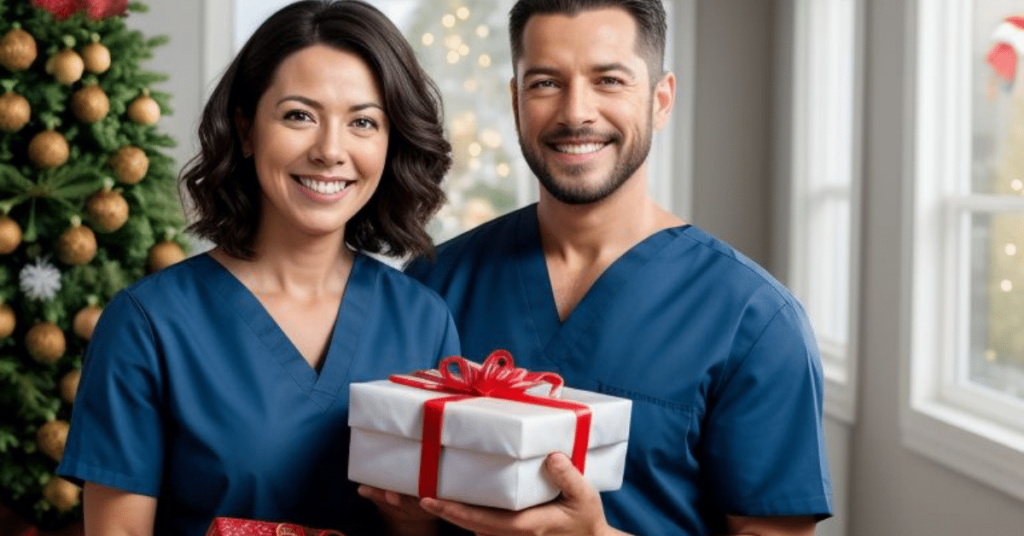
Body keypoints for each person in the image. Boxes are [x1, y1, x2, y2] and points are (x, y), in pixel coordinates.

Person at [392, 0, 834, 534]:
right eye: (545, 83)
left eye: (609, 81)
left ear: (660, 100)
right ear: (515, 101)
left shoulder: (757, 323)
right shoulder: (433, 283)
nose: (576, 112)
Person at [56, 1, 459, 535]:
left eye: (363, 122)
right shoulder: (148, 325)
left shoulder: (422, 322)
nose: (330, 150)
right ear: (246, 130)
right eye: (299, 116)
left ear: (391, 141)